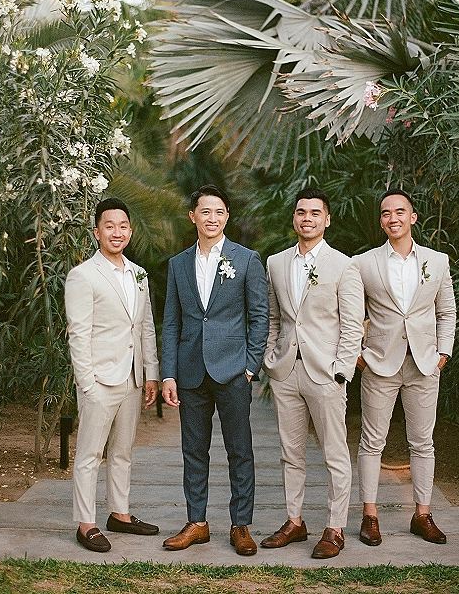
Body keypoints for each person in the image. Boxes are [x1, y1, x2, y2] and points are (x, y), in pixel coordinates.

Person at [340, 188, 456, 546]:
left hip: (424, 364)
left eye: (400, 211)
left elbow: (446, 312)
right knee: (372, 442)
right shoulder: (362, 263)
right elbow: (352, 312)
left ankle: (423, 515)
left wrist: (443, 354)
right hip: (379, 364)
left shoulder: (437, 261)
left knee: (422, 443)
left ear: (413, 217)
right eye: (386, 213)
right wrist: (360, 353)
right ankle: (369, 516)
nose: (393, 218)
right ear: (381, 221)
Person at [161, 184, 269, 556]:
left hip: (233, 372)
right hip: (190, 373)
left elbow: (260, 316)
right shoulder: (177, 264)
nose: (212, 218)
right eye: (205, 212)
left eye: (219, 212)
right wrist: (169, 374)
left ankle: (241, 525)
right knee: (194, 451)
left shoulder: (246, 259)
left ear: (227, 217)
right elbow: (172, 323)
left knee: (240, 450)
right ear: (193, 216)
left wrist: (251, 366)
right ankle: (197, 522)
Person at [260, 187, 362, 559]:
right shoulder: (275, 263)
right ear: (294, 219)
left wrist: (341, 371)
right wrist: (272, 360)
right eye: (301, 212)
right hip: (286, 372)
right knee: (291, 453)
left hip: (326, 374)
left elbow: (352, 326)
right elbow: (274, 318)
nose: (307, 218)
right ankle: (294, 521)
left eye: (315, 213)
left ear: (327, 219)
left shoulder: (344, 265)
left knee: (335, 453)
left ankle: (334, 528)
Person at [65, 198, 160, 553]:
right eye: (109, 226)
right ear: (97, 232)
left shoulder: (138, 273)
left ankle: (119, 514)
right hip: (99, 380)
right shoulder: (83, 275)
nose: (116, 232)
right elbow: (78, 333)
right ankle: (86, 523)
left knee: (122, 452)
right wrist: (86, 383)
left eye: (123, 226)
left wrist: (151, 373)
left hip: (133, 379)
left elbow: (146, 327)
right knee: (90, 454)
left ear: (130, 231)